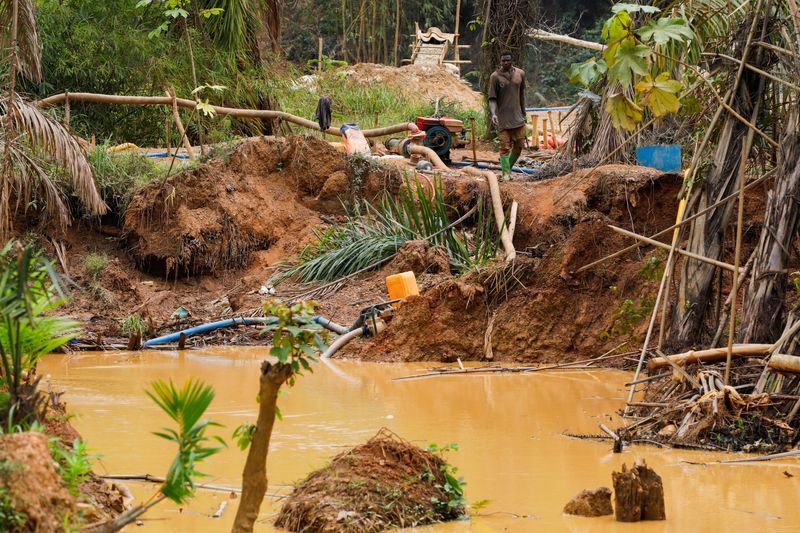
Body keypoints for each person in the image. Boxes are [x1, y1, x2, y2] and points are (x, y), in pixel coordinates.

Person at [488, 51, 527, 178]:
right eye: (503, 60)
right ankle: (505, 174)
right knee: (504, 148)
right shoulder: (495, 77)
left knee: (519, 145)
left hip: (518, 118)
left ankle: (507, 168)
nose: (505, 62)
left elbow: (521, 94)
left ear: (511, 61)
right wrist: (493, 114)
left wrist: (523, 111)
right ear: (500, 61)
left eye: (507, 60)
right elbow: (492, 98)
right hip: (503, 120)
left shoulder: (520, 73)